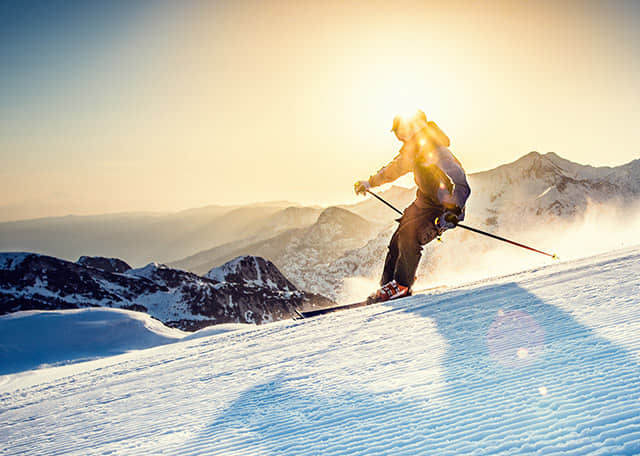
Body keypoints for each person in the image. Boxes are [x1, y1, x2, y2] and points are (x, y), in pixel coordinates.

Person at [354, 110, 471, 303]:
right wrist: (369, 183)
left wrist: (454, 210)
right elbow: (392, 171)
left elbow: (460, 182)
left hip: (443, 209)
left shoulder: (437, 151)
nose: (400, 138)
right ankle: (388, 285)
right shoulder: (412, 152)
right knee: (397, 239)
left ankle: (401, 285)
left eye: (400, 133)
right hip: (423, 204)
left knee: (410, 235)